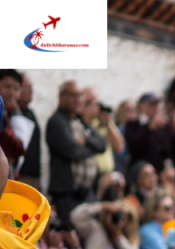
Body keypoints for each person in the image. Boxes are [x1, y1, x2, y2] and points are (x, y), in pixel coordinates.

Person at [47, 81, 107, 226]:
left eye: (80, 96)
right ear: (62, 96)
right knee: (70, 235)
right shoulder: (57, 121)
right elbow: (72, 151)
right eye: (74, 95)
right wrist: (91, 149)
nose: (78, 100)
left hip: (85, 192)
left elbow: (102, 144)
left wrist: (85, 140)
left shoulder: (78, 121)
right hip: (66, 193)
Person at [124, 93, 175, 173]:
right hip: (141, 171)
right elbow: (135, 147)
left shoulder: (164, 125)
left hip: (161, 170)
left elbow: (169, 148)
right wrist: (149, 128)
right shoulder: (133, 124)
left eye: (157, 104)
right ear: (142, 106)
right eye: (152, 104)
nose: (156, 107)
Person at [82, 88, 125, 175]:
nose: (95, 106)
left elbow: (119, 148)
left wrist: (108, 124)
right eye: (90, 102)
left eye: (96, 102)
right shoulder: (81, 123)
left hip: (108, 173)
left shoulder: (102, 121)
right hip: (92, 174)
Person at [16, 73, 42, 190]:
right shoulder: (13, 113)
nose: (31, 90)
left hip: (34, 175)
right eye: (27, 87)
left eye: (31, 87)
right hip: (19, 175)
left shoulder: (30, 112)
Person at [0, 70, 27, 178]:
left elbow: (19, 149)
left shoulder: (20, 114)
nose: (11, 93)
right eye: (7, 87)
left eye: (16, 89)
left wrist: (16, 114)